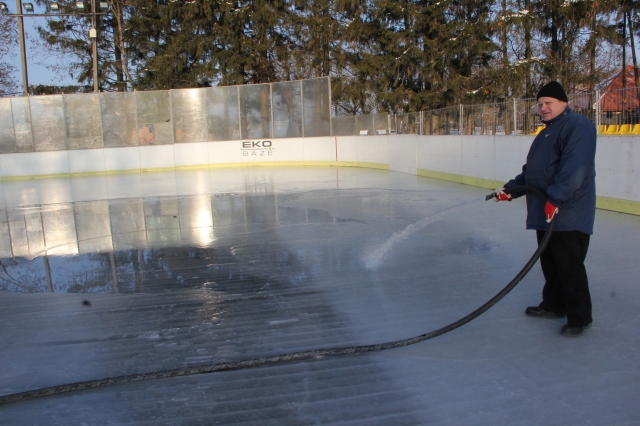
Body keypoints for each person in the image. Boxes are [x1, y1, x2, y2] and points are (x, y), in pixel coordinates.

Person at [494, 81, 597, 337]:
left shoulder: (577, 127)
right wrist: (512, 190)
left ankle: (580, 318)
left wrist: (557, 198)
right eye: (540, 104)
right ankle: (553, 305)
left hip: (569, 212)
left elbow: (575, 169)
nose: (543, 108)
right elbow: (533, 172)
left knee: (569, 266)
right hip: (546, 210)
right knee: (550, 263)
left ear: (564, 103)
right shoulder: (546, 133)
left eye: (548, 103)